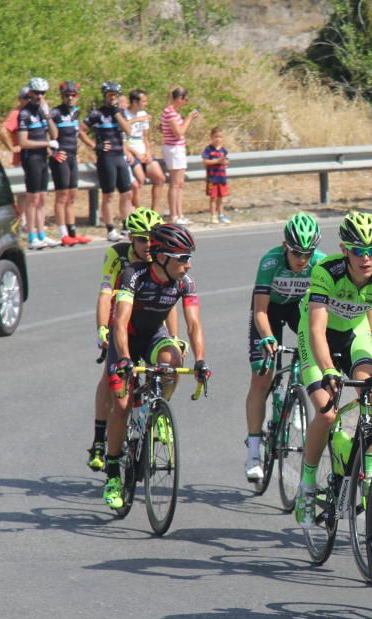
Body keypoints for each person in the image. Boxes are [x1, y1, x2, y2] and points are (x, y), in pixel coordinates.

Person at [294, 212, 372, 528]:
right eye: (358, 250)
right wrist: (329, 369)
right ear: (344, 250)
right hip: (318, 335)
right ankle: (306, 484)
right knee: (328, 412)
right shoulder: (325, 272)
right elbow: (317, 329)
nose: (366, 257)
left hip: (355, 334)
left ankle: (369, 468)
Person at [102, 223, 209, 509]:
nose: (188, 265)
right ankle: (112, 472)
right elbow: (121, 322)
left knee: (173, 360)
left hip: (153, 337)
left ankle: (157, 408)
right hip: (126, 340)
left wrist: (200, 360)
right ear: (161, 256)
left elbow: (194, 324)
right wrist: (124, 358)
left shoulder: (185, 282)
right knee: (122, 405)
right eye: (182, 258)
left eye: (189, 257)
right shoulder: (133, 275)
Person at [243, 212, 327, 482]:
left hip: (299, 310)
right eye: (296, 253)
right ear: (285, 247)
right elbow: (259, 312)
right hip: (270, 312)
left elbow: (323, 314)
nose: (302, 260)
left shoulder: (320, 263)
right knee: (262, 376)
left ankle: (298, 398)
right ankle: (254, 450)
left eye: (307, 253)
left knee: (312, 352)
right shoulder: (270, 261)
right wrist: (267, 338)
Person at [88, 207, 167, 471]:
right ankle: (100, 439)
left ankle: (154, 414)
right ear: (131, 239)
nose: (148, 245)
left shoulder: (160, 257)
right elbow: (105, 292)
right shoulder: (118, 255)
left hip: (148, 318)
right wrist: (102, 329)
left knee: (165, 365)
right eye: (141, 239)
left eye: (151, 239)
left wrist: (175, 337)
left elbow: (170, 301)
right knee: (110, 380)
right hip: (120, 316)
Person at [80, 82, 135, 241]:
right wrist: (95, 146)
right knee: (108, 195)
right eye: (110, 95)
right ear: (105, 96)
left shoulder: (120, 113)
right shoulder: (97, 113)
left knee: (126, 193)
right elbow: (81, 130)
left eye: (115, 95)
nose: (113, 97)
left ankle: (126, 227)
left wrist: (117, 113)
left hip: (120, 155)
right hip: (106, 158)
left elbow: (128, 130)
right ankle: (110, 229)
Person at [18, 78, 59, 250]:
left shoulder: (41, 112)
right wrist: (46, 144)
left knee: (42, 197)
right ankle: (31, 235)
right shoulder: (25, 113)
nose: (39, 96)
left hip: (43, 158)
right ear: (30, 93)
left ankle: (42, 234)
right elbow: (23, 142)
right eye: (36, 93)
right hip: (31, 158)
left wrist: (47, 114)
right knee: (32, 198)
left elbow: (55, 133)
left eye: (43, 93)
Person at [49, 81, 91, 247]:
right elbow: (48, 136)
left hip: (73, 156)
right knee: (62, 196)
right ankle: (63, 233)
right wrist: (53, 153)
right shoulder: (55, 112)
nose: (70, 98)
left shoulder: (76, 112)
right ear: (62, 96)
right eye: (67, 95)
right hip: (61, 157)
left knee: (72, 195)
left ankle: (72, 232)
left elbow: (76, 134)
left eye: (73, 95)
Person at [160, 87, 199, 226]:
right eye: (184, 99)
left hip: (178, 148)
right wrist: (189, 118)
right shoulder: (169, 113)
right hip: (173, 148)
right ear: (179, 99)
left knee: (180, 184)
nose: (185, 102)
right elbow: (179, 132)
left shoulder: (172, 112)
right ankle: (173, 215)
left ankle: (179, 213)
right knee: (175, 184)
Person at [125, 89, 166, 212]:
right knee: (139, 181)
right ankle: (137, 212)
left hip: (143, 152)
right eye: (143, 101)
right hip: (131, 152)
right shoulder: (124, 115)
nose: (146, 103)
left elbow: (145, 136)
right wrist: (135, 153)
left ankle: (155, 212)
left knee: (160, 178)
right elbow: (122, 140)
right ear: (134, 102)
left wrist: (148, 152)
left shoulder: (143, 114)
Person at [0, 88, 32, 232]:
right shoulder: (16, 114)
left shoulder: (34, 112)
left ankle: (28, 221)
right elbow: (2, 130)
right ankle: (20, 221)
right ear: (20, 99)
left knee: (32, 193)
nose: (29, 100)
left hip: (35, 157)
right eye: (26, 97)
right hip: (22, 158)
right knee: (23, 194)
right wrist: (12, 147)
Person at [201, 127, 230, 224]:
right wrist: (216, 161)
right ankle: (213, 215)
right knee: (213, 197)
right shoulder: (208, 149)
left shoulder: (223, 150)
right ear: (211, 137)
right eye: (216, 137)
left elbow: (227, 161)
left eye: (220, 137)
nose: (218, 139)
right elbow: (205, 161)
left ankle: (221, 214)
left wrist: (224, 161)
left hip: (221, 178)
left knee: (221, 197)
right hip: (212, 178)